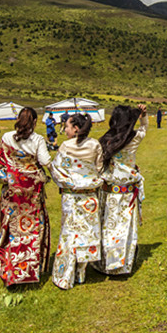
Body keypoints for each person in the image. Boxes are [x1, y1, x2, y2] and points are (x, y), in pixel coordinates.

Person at [0, 107, 52, 286]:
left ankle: (10, 266)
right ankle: (28, 270)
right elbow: (45, 161)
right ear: (34, 122)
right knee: (31, 229)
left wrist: (10, 174)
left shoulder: (7, 137)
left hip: (12, 191)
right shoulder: (37, 140)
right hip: (32, 193)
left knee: (11, 227)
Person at [49, 114, 103, 289]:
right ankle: (81, 272)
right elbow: (99, 168)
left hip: (71, 196)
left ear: (76, 129)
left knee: (69, 232)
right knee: (87, 232)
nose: (65, 130)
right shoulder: (95, 145)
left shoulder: (66, 146)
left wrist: (69, 182)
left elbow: (56, 169)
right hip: (89, 196)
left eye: (67, 126)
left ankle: (65, 273)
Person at [93, 104, 148, 276]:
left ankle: (103, 263)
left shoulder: (105, 140)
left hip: (109, 190)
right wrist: (143, 116)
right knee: (123, 228)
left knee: (107, 226)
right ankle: (121, 263)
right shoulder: (134, 138)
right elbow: (144, 128)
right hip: (126, 191)